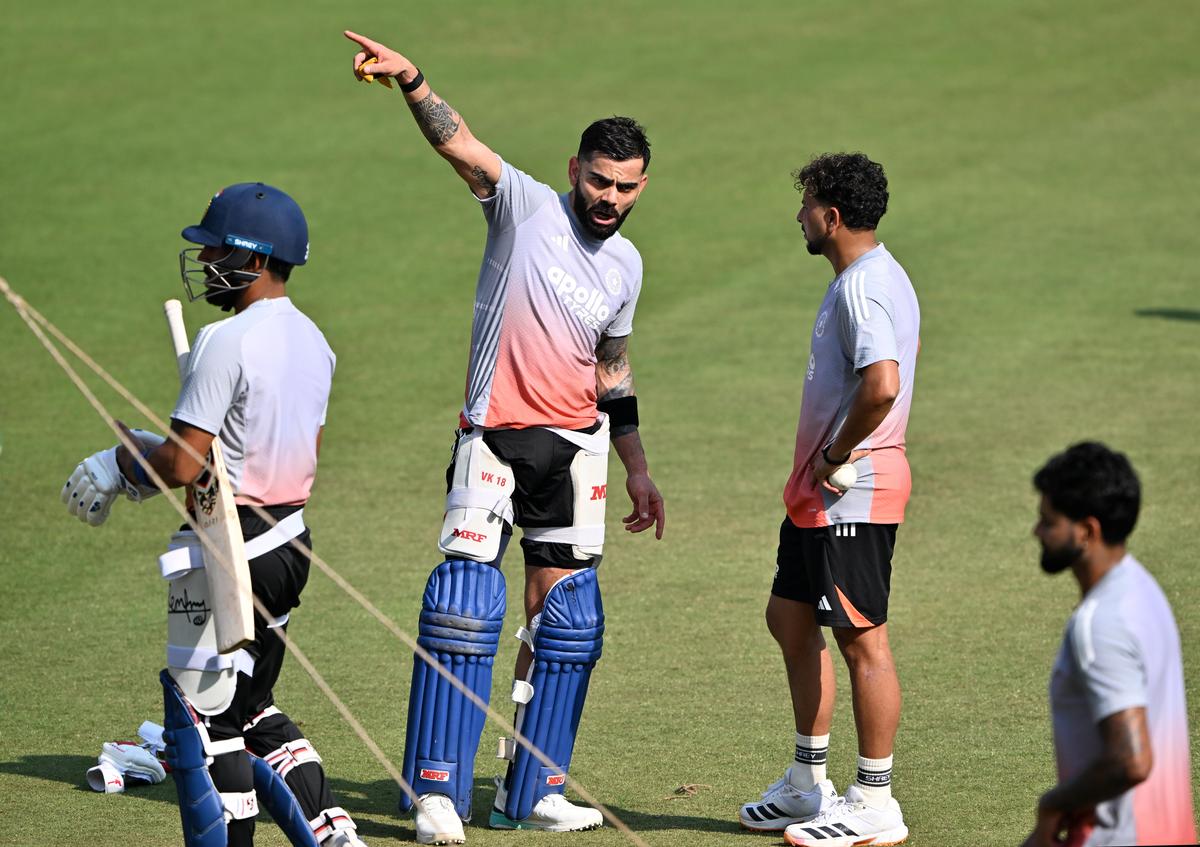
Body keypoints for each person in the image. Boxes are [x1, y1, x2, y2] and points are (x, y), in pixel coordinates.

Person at [342, 30, 665, 846]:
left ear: (641, 187)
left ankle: (532, 788)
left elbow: (613, 366)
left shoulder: (626, 264)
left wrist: (636, 466)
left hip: (576, 448)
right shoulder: (522, 206)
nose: (610, 197)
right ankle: (436, 792)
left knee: (566, 620)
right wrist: (414, 81)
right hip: (493, 437)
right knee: (464, 605)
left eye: (626, 187)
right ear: (572, 171)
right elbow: (462, 147)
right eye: (599, 180)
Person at [62, 183, 367, 847]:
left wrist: (120, 464)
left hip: (226, 551)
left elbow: (180, 466)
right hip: (290, 545)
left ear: (256, 259)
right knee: (251, 706)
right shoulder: (317, 342)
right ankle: (334, 831)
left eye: (217, 251)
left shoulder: (223, 341)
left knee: (204, 723)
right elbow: (261, 453)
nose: (205, 264)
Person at [739, 153, 918, 847]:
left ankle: (875, 800)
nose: (799, 215)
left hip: (855, 489)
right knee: (789, 616)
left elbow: (881, 384)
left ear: (832, 216)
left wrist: (839, 455)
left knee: (861, 636)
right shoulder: (861, 278)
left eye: (807, 204)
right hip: (820, 495)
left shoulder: (863, 289)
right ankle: (807, 780)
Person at [1025, 442, 1195, 847]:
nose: (1037, 531)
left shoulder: (1101, 623)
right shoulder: (1143, 588)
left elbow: (1131, 760)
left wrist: (1052, 804)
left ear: (1087, 531)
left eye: (1049, 522)